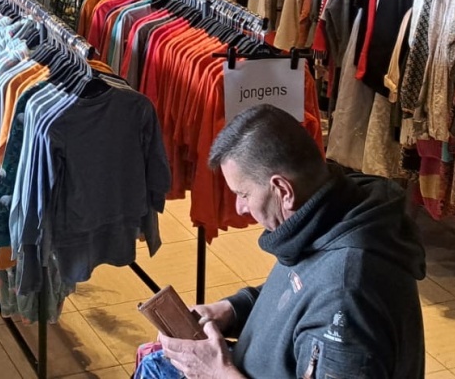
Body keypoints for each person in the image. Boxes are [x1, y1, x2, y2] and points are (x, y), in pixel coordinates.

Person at [152, 105, 425, 379]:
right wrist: (232, 310)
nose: (240, 207)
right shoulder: (330, 212)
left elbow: (322, 296)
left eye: (244, 194)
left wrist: (216, 373)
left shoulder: (346, 297)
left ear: (283, 190)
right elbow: (300, 292)